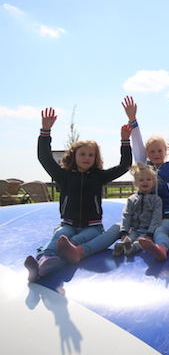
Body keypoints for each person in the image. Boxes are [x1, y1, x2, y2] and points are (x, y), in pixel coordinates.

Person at [24, 107, 132, 282]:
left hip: (92, 227)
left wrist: (125, 141)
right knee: (61, 235)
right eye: (83, 154)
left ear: (95, 158)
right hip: (68, 223)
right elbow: (44, 157)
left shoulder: (99, 176)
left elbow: (124, 165)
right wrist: (45, 131)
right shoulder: (64, 175)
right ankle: (44, 261)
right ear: (73, 156)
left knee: (72, 240)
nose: (87, 157)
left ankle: (46, 263)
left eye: (91, 155)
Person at [121, 95, 169, 261]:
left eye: (159, 151)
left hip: (166, 217)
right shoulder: (144, 168)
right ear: (147, 154)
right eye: (152, 151)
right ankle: (129, 245)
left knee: (160, 232)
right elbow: (137, 144)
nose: (156, 154)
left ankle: (161, 248)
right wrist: (132, 119)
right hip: (145, 218)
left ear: (165, 152)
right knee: (131, 231)